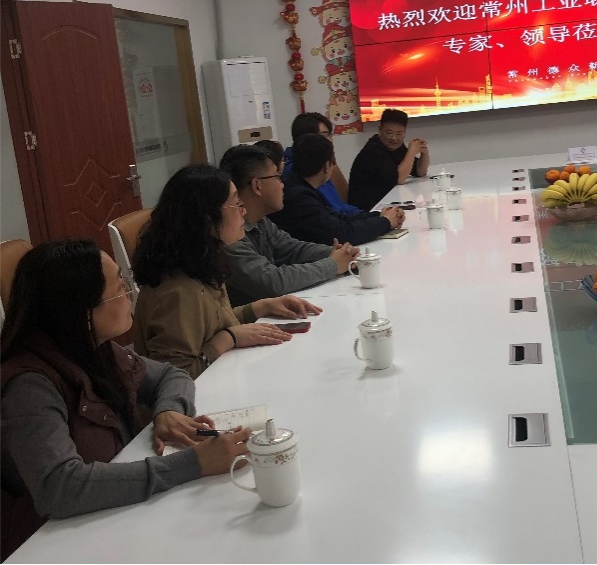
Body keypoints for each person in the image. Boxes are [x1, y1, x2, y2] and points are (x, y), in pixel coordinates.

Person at [1, 239, 251, 560]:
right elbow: (60, 486)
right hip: (54, 544)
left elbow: (171, 376)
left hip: (115, 516)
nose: (130, 293)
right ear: (84, 312)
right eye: (119, 287)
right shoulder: (28, 386)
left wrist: (167, 412)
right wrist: (194, 463)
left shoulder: (91, 347)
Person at [131, 164, 322, 379]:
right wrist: (228, 339)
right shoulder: (178, 292)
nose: (244, 212)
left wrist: (260, 307)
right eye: (237, 204)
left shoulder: (199, 261)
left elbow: (210, 324)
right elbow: (176, 376)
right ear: (206, 220)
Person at [219, 144, 360, 306]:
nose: (283, 184)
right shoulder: (229, 235)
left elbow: (292, 249)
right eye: (277, 177)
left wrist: (339, 254)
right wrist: (333, 264)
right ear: (257, 186)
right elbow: (273, 281)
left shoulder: (261, 221)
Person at [271, 134, 404, 246]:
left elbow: (336, 217)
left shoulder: (299, 186)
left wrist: (379, 216)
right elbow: (343, 234)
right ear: (327, 166)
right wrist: (386, 222)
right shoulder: (298, 196)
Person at [348, 108, 430, 211]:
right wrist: (412, 151)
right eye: (389, 133)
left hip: (387, 200)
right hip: (368, 208)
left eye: (399, 133)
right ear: (380, 130)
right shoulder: (373, 150)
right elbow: (399, 179)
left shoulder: (397, 147)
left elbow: (420, 172)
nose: (394, 138)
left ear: (404, 132)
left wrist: (424, 153)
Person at [284, 112, 361, 214]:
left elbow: (339, 206)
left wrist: (371, 216)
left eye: (329, 135)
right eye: (324, 135)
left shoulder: (319, 162)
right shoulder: (299, 169)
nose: (330, 141)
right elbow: (334, 213)